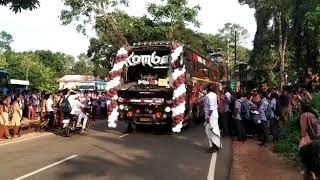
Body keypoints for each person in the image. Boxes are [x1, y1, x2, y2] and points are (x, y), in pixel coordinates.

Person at [299, 103, 320, 180]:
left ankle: (308, 173)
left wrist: (301, 137)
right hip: (318, 139)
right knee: (316, 159)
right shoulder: (314, 114)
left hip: (309, 140)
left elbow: (303, 132)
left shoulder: (304, 115)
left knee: (306, 158)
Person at [204, 84, 221, 153]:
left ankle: (214, 146)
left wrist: (208, 117)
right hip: (214, 115)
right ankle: (215, 146)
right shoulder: (214, 95)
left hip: (211, 116)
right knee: (213, 130)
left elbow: (211, 108)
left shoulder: (209, 96)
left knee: (211, 131)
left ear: (208, 89)